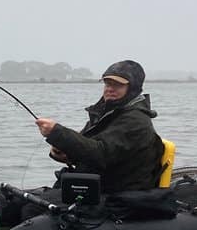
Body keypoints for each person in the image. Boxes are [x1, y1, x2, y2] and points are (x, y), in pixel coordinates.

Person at [34, 59, 164, 194]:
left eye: (118, 85)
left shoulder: (136, 121)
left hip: (116, 197)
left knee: (30, 210)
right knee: (16, 202)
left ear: (133, 88)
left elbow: (100, 154)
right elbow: (85, 147)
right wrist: (62, 151)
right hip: (92, 187)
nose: (110, 89)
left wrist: (57, 133)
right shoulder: (105, 114)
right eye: (107, 84)